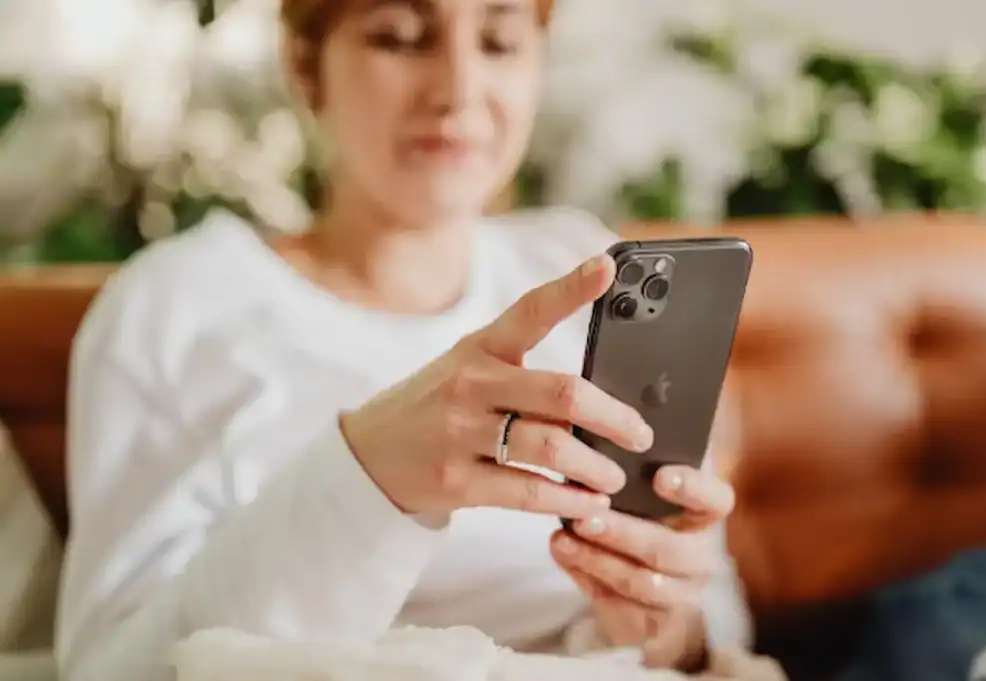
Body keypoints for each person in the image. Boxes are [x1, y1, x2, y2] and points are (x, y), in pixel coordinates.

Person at [55, 1, 751, 680]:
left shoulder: (582, 269)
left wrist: (667, 632)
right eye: (400, 36)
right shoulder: (176, 308)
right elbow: (111, 666)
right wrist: (369, 475)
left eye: (500, 41)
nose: (459, 88)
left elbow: (710, 623)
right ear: (305, 65)